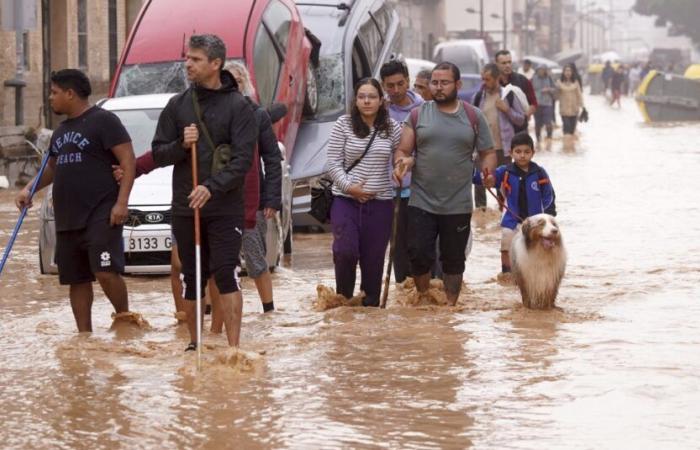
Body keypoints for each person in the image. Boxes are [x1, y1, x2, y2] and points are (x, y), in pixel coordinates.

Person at [151, 34, 257, 351]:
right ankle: (194, 346)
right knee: (191, 275)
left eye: (195, 59)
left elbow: (242, 161)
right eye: (187, 58)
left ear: (215, 64)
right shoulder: (177, 105)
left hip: (224, 207)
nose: (187, 64)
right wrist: (181, 144)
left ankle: (234, 349)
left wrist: (211, 187)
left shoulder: (239, 107)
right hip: (186, 206)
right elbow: (158, 153)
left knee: (226, 272)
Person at [15, 69, 136, 332]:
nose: (50, 98)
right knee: (76, 279)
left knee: (105, 271)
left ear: (70, 94)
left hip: (101, 212)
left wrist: (122, 202)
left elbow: (128, 160)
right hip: (68, 216)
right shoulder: (60, 132)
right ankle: (84, 336)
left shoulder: (104, 121)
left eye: (54, 92)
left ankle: (125, 318)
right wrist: (29, 189)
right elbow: (52, 168)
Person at [393, 62, 496, 306]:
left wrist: (488, 172)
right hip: (421, 200)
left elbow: (487, 151)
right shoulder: (418, 114)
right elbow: (403, 149)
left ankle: (450, 308)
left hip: (457, 203)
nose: (438, 88)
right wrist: (402, 163)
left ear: (457, 85)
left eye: (444, 83)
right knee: (418, 255)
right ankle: (425, 299)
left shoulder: (473, 116)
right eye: (434, 83)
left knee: (453, 260)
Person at [325, 78, 402, 307]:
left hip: (380, 204)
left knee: (374, 262)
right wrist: (350, 187)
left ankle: (369, 315)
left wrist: (400, 168)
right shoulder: (343, 124)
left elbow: (401, 155)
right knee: (345, 251)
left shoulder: (392, 128)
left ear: (381, 101)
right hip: (345, 200)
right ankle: (344, 303)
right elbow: (333, 163)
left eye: (372, 97)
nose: (366, 101)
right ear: (355, 100)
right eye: (361, 97)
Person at [482, 132, 556, 275]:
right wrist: (486, 178)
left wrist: (549, 216)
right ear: (511, 153)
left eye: (526, 152)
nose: (522, 155)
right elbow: (488, 179)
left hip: (536, 222)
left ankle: (536, 275)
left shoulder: (540, 173)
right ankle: (506, 274)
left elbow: (549, 196)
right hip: (511, 220)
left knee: (538, 249)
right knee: (506, 246)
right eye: (518, 152)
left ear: (533, 153)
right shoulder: (504, 172)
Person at [379, 60, 424, 284]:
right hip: (388, 191)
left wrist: (410, 162)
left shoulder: (423, 109)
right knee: (397, 249)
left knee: (419, 246)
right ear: (383, 86)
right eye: (390, 86)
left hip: (419, 190)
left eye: (400, 84)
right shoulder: (379, 111)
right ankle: (403, 293)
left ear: (408, 80)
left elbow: (428, 150)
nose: (395, 90)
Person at [471, 63, 525, 209]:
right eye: (483, 79)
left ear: (497, 78)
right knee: (480, 184)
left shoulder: (509, 95)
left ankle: (504, 214)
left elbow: (521, 119)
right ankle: (481, 218)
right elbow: (470, 123)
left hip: (504, 148)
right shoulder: (477, 97)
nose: (484, 83)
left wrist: (507, 109)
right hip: (482, 149)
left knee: (503, 185)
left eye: (487, 79)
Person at [495, 49, 537, 132]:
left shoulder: (522, 80)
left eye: (509, 62)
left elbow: (533, 103)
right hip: (499, 131)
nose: (508, 65)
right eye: (504, 63)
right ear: (496, 64)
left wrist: (526, 116)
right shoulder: (493, 83)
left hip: (519, 130)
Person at [556, 64, 584, 142]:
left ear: (572, 72)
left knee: (572, 131)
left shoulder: (576, 83)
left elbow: (579, 95)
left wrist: (583, 106)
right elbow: (556, 97)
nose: (568, 72)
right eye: (566, 71)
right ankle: (566, 148)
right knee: (566, 129)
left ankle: (570, 149)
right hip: (564, 110)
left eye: (569, 71)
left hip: (574, 109)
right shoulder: (559, 83)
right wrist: (556, 90)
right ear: (563, 72)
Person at [530, 65, 557, 142]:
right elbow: (529, 90)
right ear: (537, 71)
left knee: (548, 122)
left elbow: (555, 89)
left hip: (547, 103)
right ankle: (538, 140)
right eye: (540, 70)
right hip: (537, 104)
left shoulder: (549, 78)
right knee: (537, 123)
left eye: (543, 70)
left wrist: (549, 89)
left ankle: (549, 139)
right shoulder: (533, 79)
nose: (541, 71)